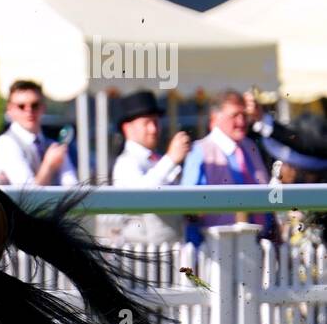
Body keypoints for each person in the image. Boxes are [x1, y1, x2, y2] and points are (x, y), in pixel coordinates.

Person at [180, 90, 276, 245]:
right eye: (234, 115)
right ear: (214, 118)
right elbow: (188, 208)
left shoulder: (250, 146)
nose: (241, 121)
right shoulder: (199, 150)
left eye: (244, 115)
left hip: (257, 243)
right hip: (214, 247)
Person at [103, 91, 190, 245]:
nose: (153, 129)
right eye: (146, 123)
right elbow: (141, 196)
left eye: (156, 122)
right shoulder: (125, 162)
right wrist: (170, 159)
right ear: (127, 128)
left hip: (167, 252)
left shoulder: (156, 160)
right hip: (142, 257)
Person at [0, 80, 78, 187]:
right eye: (21, 106)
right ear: (10, 109)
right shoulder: (5, 145)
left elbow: (72, 187)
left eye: (35, 105)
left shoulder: (51, 145)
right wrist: (49, 165)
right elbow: (29, 195)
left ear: (43, 107)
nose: (29, 110)